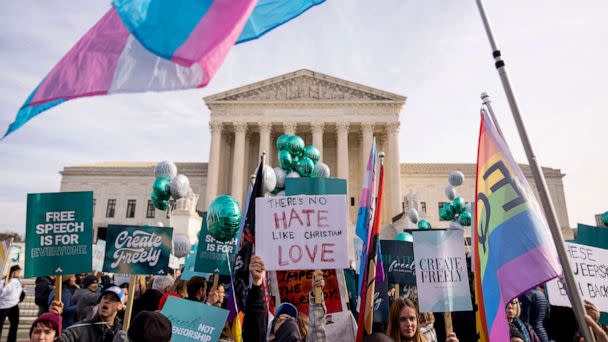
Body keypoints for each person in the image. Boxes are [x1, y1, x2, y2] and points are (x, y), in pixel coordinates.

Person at [59, 286, 124, 342]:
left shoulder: (122, 333)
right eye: (104, 297)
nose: (106, 301)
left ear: (120, 306)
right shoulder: (79, 329)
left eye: (113, 299)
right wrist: (54, 316)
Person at [386, 298, 459, 342]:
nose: (409, 324)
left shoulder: (427, 340)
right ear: (394, 321)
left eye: (412, 318)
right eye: (402, 319)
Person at [0, 265, 24, 342]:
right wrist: (4, 286)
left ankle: (11, 340)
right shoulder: (4, 281)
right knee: (3, 325)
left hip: (13, 306)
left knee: (14, 325)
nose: (19, 274)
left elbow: (19, 293)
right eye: (18, 272)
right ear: (14, 272)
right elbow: (2, 293)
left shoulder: (17, 281)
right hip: (3, 306)